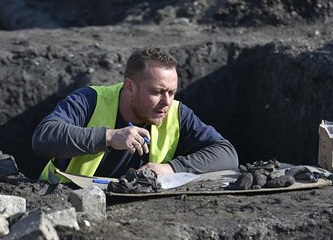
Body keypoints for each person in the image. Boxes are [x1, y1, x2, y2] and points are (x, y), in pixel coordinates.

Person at [32, 47, 239, 184]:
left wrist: (171, 168)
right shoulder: (90, 100)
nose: (166, 102)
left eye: (172, 92)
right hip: (62, 202)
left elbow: (227, 154)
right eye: (157, 92)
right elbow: (43, 138)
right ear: (130, 87)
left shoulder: (176, 113)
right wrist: (110, 138)